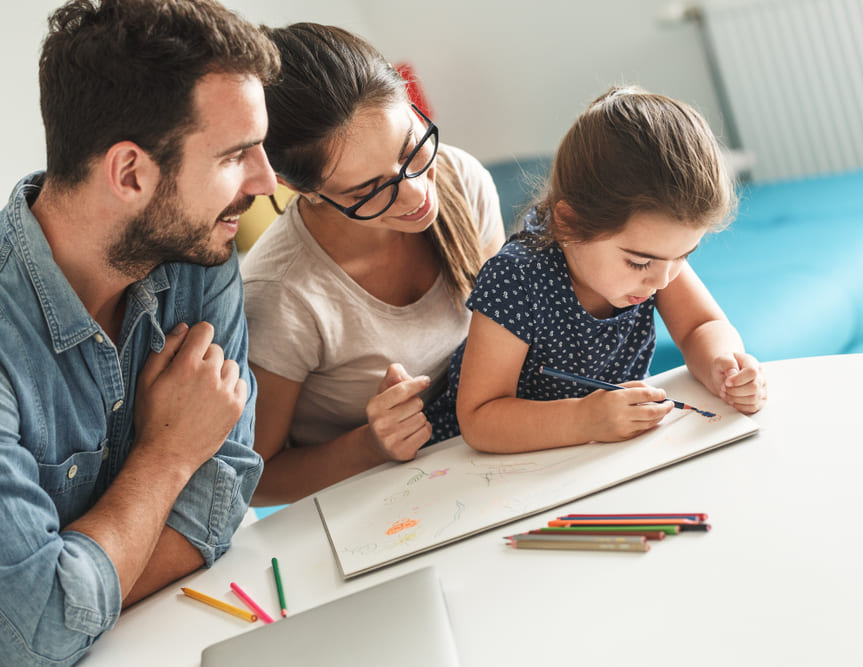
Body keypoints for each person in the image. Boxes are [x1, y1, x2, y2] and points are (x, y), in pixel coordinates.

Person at [0, 1, 279, 663]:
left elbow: (228, 485)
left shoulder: (196, 251)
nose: (267, 182)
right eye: (238, 155)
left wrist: (79, 585)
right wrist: (168, 455)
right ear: (130, 173)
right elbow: (29, 630)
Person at [240, 23, 505, 505]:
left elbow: (506, 341)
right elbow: (255, 479)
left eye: (411, 147)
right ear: (305, 191)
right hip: (370, 509)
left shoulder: (462, 180)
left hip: (483, 465)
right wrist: (370, 444)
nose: (417, 194)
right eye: (369, 191)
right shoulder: (281, 294)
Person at [425, 86, 768, 453]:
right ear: (570, 223)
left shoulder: (657, 260)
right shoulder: (515, 279)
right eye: (638, 262)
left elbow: (702, 326)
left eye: (685, 255)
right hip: (474, 465)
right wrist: (585, 419)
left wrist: (724, 365)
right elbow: (479, 419)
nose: (662, 280)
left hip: (596, 453)